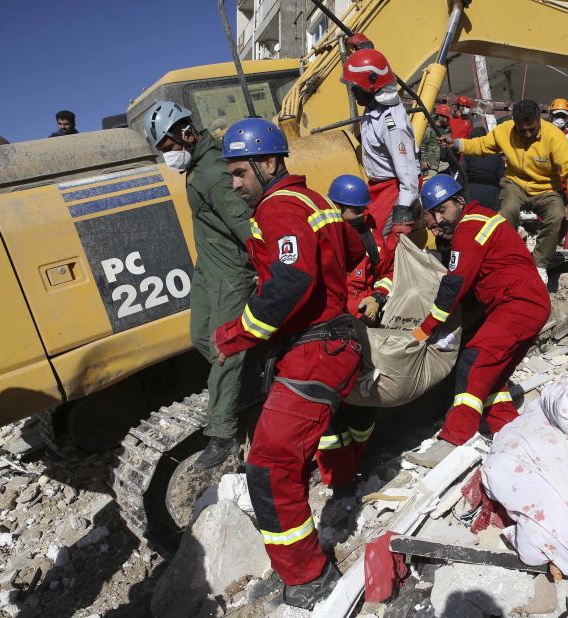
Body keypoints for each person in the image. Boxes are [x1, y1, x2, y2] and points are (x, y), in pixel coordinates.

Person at [213, 118, 366, 609]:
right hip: (332, 342)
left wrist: (235, 336)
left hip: (317, 349)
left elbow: (289, 281)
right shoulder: (316, 202)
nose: (234, 186)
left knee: (269, 465)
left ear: (269, 162)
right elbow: (357, 248)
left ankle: (307, 576)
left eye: (240, 173)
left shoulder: (278, 207)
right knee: (314, 439)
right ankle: (343, 493)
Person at [142, 100, 257, 469]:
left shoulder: (214, 172)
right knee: (200, 337)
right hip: (208, 270)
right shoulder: (196, 166)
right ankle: (251, 379)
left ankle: (222, 433)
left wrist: (265, 266)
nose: (167, 157)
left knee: (226, 348)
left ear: (187, 134)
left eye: (168, 148)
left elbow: (245, 226)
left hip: (230, 274)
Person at [406, 175, 551, 467]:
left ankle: (453, 440)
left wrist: (425, 330)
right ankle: (511, 431)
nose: (438, 220)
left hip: (516, 305)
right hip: (526, 304)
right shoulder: (483, 218)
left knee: (473, 362)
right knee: (492, 377)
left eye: (442, 210)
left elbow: (455, 283)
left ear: (459, 202)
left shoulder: (469, 227)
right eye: (432, 217)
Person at [441, 99, 568, 282]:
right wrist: (458, 144)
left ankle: (539, 265)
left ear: (538, 121)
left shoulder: (554, 136)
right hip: (515, 183)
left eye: (531, 128)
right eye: (522, 129)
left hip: (546, 188)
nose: (527, 133)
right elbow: (483, 144)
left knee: (556, 215)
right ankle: (505, 258)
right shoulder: (505, 130)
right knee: (506, 212)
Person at [314, 174, 390, 489]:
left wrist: (378, 296)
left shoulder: (371, 237)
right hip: (327, 337)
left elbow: (387, 273)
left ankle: (358, 463)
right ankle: (337, 481)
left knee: (362, 413)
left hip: (362, 336)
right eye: (353, 212)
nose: (359, 217)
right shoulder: (322, 238)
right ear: (337, 207)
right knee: (328, 418)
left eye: (362, 211)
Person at [341, 49, 420, 236]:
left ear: (371, 86)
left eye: (356, 86)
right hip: (378, 187)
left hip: (395, 188)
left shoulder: (393, 124)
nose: (352, 91)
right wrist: (365, 47)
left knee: (382, 243)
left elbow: (408, 173)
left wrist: (403, 212)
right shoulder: (373, 106)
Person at [462, 126, 504, 210]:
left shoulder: (469, 152)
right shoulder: (496, 153)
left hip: (473, 189)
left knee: (474, 218)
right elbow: (501, 175)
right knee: (491, 219)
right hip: (492, 191)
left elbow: (462, 172)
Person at [420, 104, 453, 177]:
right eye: (446, 117)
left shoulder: (447, 129)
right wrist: (424, 161)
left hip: (444, 164)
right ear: (440, 116)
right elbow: (424, 146)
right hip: (432, 164)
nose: (447, 119)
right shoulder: (430, 129)